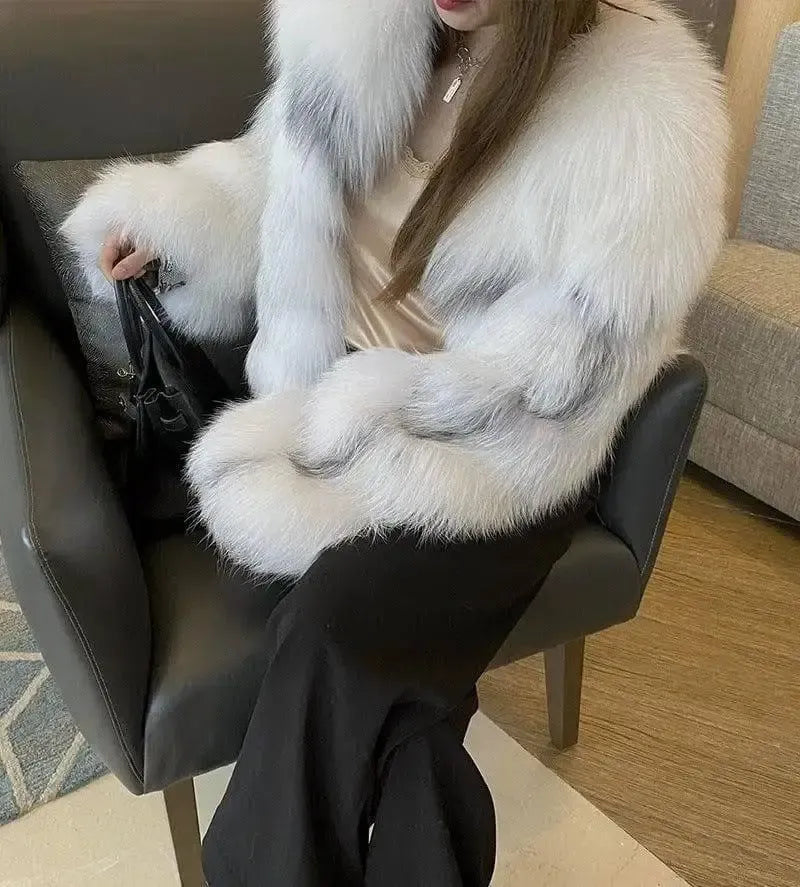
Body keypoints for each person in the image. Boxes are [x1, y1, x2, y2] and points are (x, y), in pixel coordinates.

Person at [62, 0, 728, 883]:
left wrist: (369, 433)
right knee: (405, 714)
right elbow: (274, 170)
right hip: (323, 400)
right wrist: (173, 227)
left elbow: (565, 375)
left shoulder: (640, 105)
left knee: (333, 629)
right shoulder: (354, 21)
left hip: (500, 452)